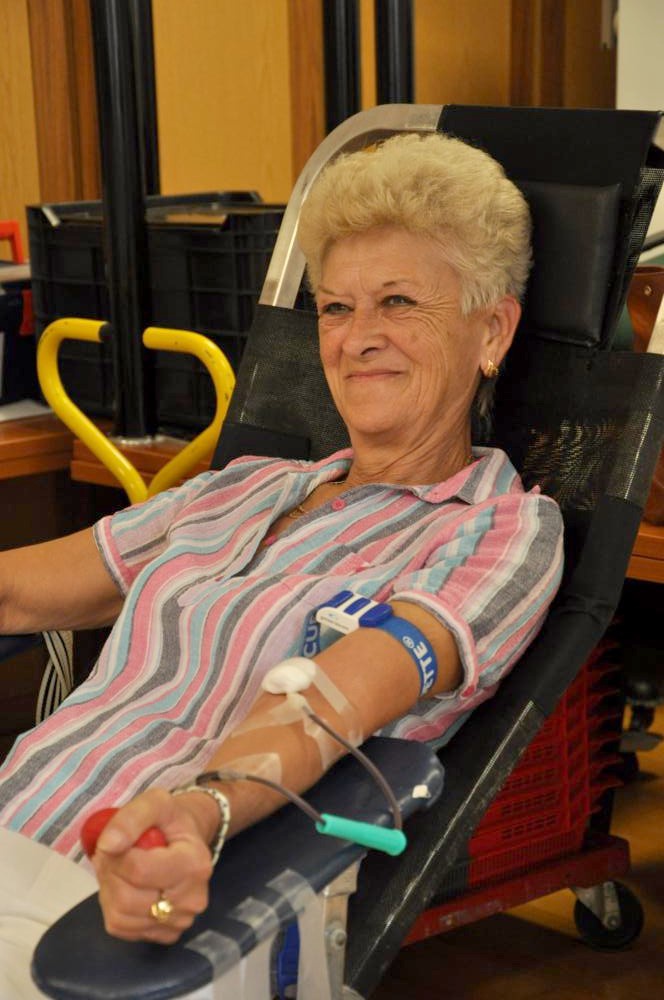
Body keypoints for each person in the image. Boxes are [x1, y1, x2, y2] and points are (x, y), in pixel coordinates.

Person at [0, 132, 563, 995]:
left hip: (146, 911)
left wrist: (199, 811)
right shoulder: (243, 488)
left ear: (492, 328)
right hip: (18, 828)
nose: (358, 337)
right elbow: (16, 591)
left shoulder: (500, 530)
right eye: (336, 308)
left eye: (398, 302)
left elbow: (333, 698)